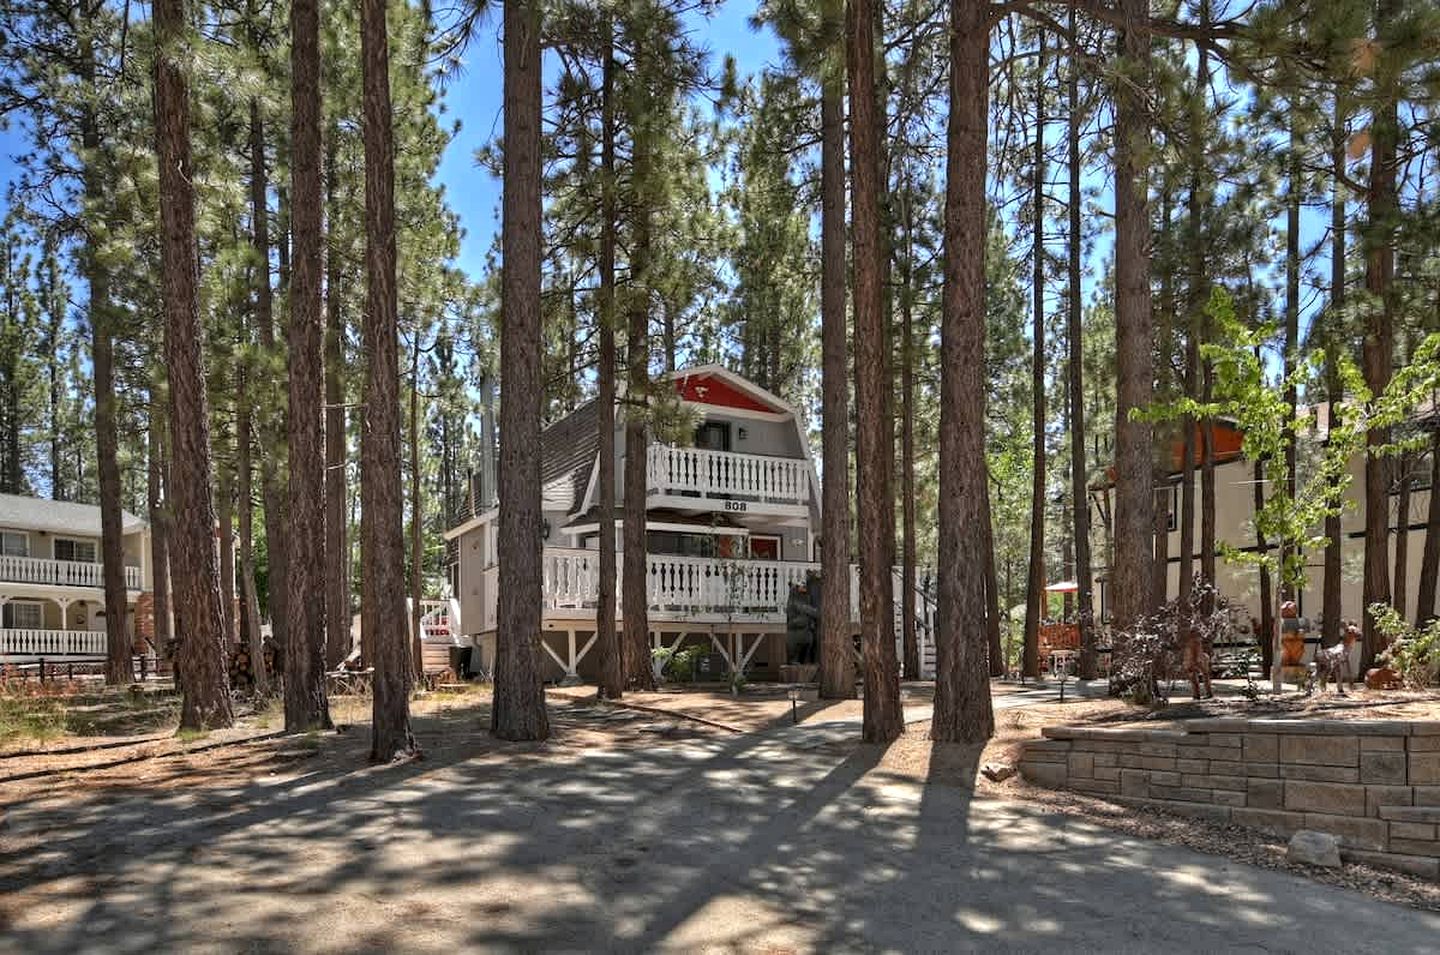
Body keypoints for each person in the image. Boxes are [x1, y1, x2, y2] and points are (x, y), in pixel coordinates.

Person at [786, 575, 820, 665]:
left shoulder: (805, 598)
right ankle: (795, 660)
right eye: (801, 586)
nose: (804, 588)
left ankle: (806, 661)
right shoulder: (794, 601)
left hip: (805, 633)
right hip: (797, 633)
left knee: (809, 642)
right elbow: (809, 611)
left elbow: (813, 612)